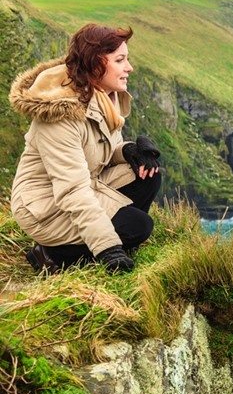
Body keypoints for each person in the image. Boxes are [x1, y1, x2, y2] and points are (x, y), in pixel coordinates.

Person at [9, 23, 162, 274]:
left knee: (148, 174)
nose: (129, 67)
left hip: (86, 183)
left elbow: (102, 151)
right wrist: (108, 248)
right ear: (96, 63)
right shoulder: (60, 115)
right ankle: (51, 254)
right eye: (120, 60)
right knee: (139, 227)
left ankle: (115, 239)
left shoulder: (102, 97)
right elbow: (72, 190)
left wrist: (131, 151)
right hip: (46, 207)